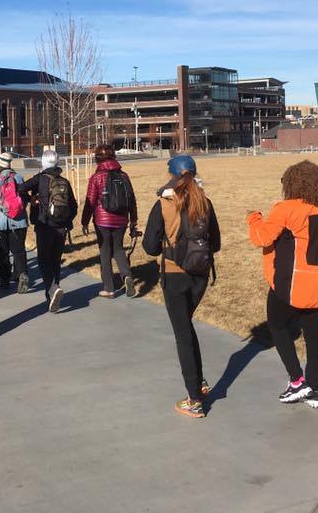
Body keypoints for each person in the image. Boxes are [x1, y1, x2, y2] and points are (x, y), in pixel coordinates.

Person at [246, 160, 318, 409]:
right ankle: (314, 389)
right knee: (314, 337)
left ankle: (297, 380)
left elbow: (261, 237)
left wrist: (253, 218)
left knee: (278, 326)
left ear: (291, 184)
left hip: (289, 284)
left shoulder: (285, 208)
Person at [142, 155, 221, 419]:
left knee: (182, 334)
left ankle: (194, 399)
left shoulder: (164, 204)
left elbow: (150, 247)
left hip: (175, 275)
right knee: (186, 328)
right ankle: (199, 382)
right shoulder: (205, 202)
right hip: (200, 274)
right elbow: (216, 243)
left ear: (173, 176)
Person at [19, 149, 77, 312]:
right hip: (61, 228)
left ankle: (53, 290)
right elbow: (73, 206)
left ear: (43, 163)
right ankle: (53, 293)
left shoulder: (39, 179)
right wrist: (66, 221)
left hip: (44, 225)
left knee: (44, 261)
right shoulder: (64, 181)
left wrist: (31, 199)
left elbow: (21, 188)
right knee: (55, 261)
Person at [81, 144, 138, 298]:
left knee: (105, 252)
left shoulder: (96, 177)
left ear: (97, 159)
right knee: (118, 249)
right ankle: (127, 276)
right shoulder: (124, 175)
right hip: (121, 219)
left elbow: (90, 201)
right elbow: (131, 199)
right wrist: (133, 219)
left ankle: (109, 288)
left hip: (102, 220)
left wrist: (84, 221)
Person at [0, 152, 30, 293]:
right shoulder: (18, 178)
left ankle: (4, 279)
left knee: (2, 251)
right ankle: (21, 274)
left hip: (0, 222)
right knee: (18, 250)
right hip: (18, 221)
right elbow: (24, 199)